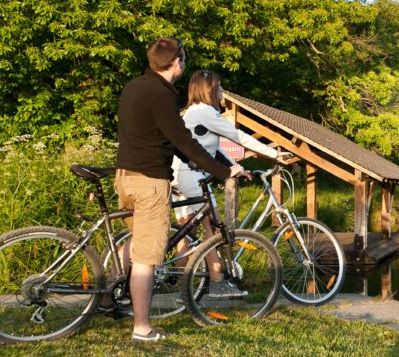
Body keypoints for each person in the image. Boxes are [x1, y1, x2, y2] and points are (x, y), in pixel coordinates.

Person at [114, 37, 249, 342]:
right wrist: (223, 170)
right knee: (148, 257)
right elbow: (183, 139)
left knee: (136, 241)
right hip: (149, 181)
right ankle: (142, 328)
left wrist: (194, 161)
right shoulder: (161, 95)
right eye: (184, 59)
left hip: (125, 175)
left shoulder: (134, 87)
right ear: (177, 62)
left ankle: (109, 298)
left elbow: (164, 140)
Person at [171, 69, 284, 298]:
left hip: (178, 172)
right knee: (213, 226)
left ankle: (178, 285)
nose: (222, 90)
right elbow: (237, 136)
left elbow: (216, 148)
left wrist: (237, 168)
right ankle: (217, 281)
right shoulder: (204, 112)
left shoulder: (195, 112)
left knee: (186, 229)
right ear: (210, 89)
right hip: (190, 173)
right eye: (219, 86)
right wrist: (274, 154)